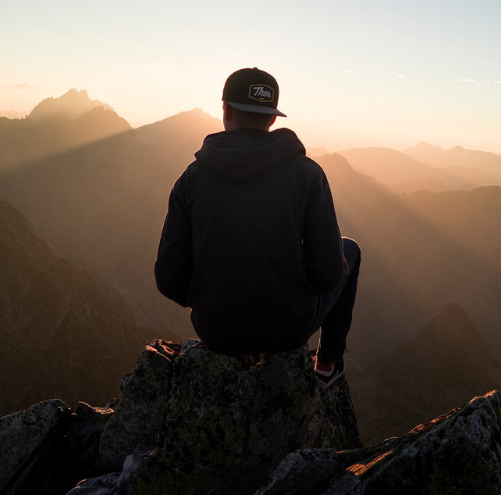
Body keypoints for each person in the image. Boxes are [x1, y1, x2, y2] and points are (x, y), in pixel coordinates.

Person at [154, 67, 360, 385]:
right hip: (288, 329)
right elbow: (329, 273)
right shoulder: (307, 176)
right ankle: (327, 365)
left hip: (216, 330)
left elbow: (169, 278)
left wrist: (214, 300)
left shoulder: (191, 180)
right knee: (350, 249)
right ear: (273, 119)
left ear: (225, 110)